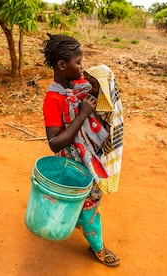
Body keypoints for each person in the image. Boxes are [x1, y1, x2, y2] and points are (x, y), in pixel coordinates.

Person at [41, 33, 124, 267]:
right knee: (89, 200)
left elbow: (98, 97)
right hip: (73, 161)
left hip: (89, 157)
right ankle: (98, 247)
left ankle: (76, 221)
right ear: (62, 65)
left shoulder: (79, 84)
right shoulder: (53, 98)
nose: (82, 67)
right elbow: (55, 142)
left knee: (83, 197)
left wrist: (101, 85)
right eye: (78, 62)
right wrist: (82, 115)